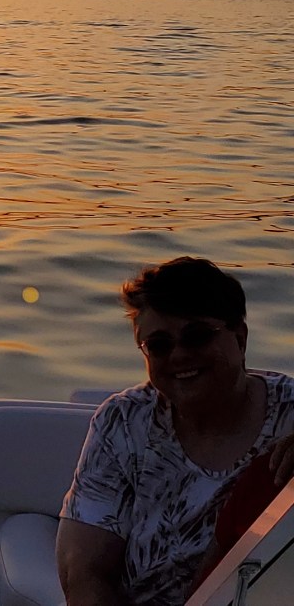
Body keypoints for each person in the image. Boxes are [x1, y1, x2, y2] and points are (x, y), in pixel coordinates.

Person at [56, 256, 294, 606]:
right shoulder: (123, 424)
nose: (180, 355)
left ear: (240, 339)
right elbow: (84, 572)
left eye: (197, 337)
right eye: (159, 345)